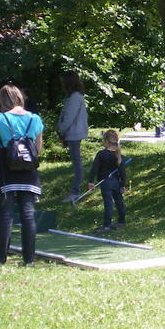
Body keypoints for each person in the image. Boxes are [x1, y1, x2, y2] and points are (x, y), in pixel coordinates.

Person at [0, 84, 44, 266]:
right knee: (28, 214)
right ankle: (29, 260)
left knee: (6, 215)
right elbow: (37, 149)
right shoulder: (35, 119)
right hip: (28, 172)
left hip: (6, 172)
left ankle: (1, 259)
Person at [58, 71, 88, 203]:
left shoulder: (75, 97)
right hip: (71, 133)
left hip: (74, 133)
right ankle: (75, 190)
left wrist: (61, 130)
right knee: (76, 162)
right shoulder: (71, 97)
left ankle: (75, 192)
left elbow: (69, 117)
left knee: (77, 163)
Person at [87, 130, 127, 231]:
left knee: (108, 203)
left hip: (106, 182)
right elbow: (123, 173)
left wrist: (91, 181)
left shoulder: (101, 154)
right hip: (116, 182)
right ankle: (122, 221)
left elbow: (94, 169)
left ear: (106, 141)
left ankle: (107, 225)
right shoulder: (119, 155)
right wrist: (122, 185)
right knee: (119, 201)